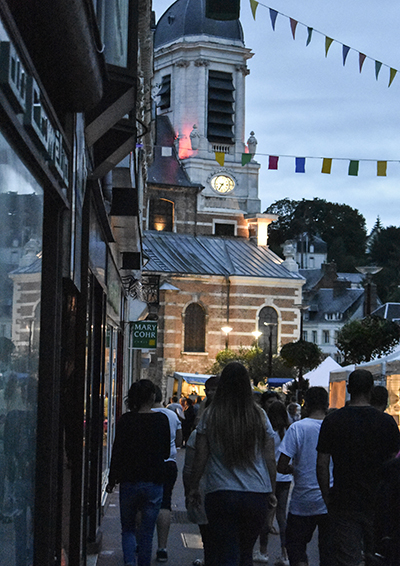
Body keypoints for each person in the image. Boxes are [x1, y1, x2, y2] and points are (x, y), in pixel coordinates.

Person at [189, 362, 277, 566]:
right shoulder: (259, 415)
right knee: (246, 553)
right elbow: (269, 458)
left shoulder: (211, 415)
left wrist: (194, 487)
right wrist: (271, 491)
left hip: (221, 493)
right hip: (256, 493)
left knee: (227, 550)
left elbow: (201, 456)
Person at [317, 369, 400, 566]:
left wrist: (326, 495)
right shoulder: (387, 422)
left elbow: (322, 462)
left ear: (348, 388)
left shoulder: (333, 420)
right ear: (371, 390)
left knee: (348, 557)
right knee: (378, 555)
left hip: (344, 498)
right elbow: (393, 462)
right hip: (378, 501)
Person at [106, 380, 170, 566]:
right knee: (147, 532)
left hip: (129, 481)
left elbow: (118, 451)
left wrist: (111, 479)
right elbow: (166, 452)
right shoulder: (161, 420)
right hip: (154, 481)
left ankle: (129, 563)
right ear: (152, 397)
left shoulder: (126, 420)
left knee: (128, 529)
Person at [278, 387, 333, 566]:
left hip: (303, 499)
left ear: (306, 404)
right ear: (327, 404)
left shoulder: (297, 428)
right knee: (327, 549)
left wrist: (295, 469)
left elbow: (281, 465)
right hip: (330, 498)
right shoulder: (333, 427)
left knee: (295, 545)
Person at [254, 400, 291, 564]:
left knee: (265, 515)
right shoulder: (288, 431)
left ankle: (263, 551)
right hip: (285, 478)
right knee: (282, 516)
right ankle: (285, 553)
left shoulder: (268, 431)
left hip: (269, 476)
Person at [152, 385, 182, 563]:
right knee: (165, 503)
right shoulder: (172, 415)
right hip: (168, 463)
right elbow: (179, 440)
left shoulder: (141, 414)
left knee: (143, 505)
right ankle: (162, 547)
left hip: (147, 463)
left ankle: (142, 542)